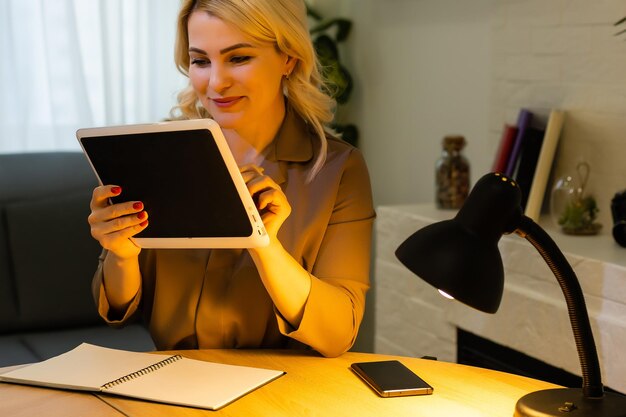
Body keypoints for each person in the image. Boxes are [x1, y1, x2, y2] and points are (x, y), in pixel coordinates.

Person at [88, 0, 375, 358]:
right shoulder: (161, 153)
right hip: (173, 384)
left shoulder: (338, 170)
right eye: (200, 61)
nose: (216, 83)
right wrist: (121, 254)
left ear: (289, 58)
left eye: (238, 58)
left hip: (284, 391)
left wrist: (267, 248)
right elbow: (115, 308)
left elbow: (338, 333)